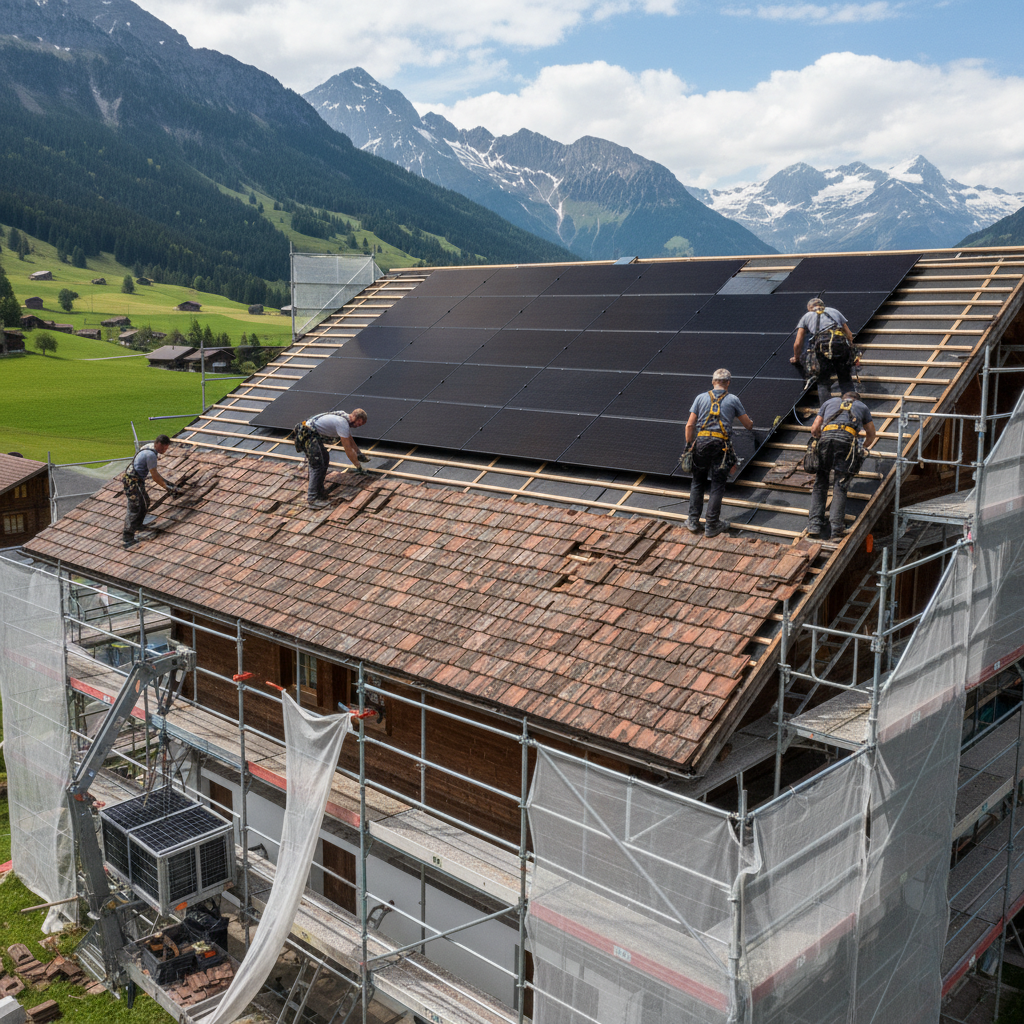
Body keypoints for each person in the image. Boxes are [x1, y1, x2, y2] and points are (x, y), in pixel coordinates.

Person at [684, 369, 755, 538]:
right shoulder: (733, 399)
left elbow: (690, 425)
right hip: (721, 446)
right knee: (717, 485)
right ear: (728, 383)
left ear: (713, 381)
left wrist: (688, 446)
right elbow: (748, 425)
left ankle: (693, 521)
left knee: (698, 482)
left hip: (701, 443)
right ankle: (712, 524)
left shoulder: (700, 398)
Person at [807, 391, 877, 540]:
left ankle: (814, 526)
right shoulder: (862, 407)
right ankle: (836, 529)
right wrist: (862, 447)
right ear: (857, 400)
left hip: (826, 440)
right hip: (846, 443)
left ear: (843, 398)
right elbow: (871, 434)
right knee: (840, 485)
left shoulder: (829, 402)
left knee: (820, 483)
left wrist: (821, 439)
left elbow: (814, 428)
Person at [295, 408, 369, 508]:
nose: (358, 426)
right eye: (359, 424)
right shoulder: (342, 423)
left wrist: (359, 453)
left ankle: (320, 491)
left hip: (311, 435)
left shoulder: (343, 418)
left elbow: (350, 439)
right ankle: (312, 498)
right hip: (307, 434)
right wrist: (358, 466)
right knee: (317, 464)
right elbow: (347, 448)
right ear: (357, 419)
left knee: (324, 458)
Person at [790, 297, 858, 407]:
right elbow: (849, 335)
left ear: (809, 308)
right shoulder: (834, 311)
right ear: (823, 305)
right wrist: (851, 352)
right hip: (841, 347)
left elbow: (798, 343)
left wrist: (796, 358)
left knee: (823, 381)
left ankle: (827, 410)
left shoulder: (807, 316)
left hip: (822, 350)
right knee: (845, 378)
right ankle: (851, 407)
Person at [122, 435, 175, 549]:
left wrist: (166, 483)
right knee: (135, 507)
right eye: (163, 448)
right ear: (158, 444)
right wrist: (167, 487)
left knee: (145, 502)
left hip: (135, 480)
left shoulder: (149, 447)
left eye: (166, 448)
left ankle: (138, 525)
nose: (164, 451)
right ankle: (127, 537)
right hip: (133, 481)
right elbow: (155, 476)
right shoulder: (151, 455)